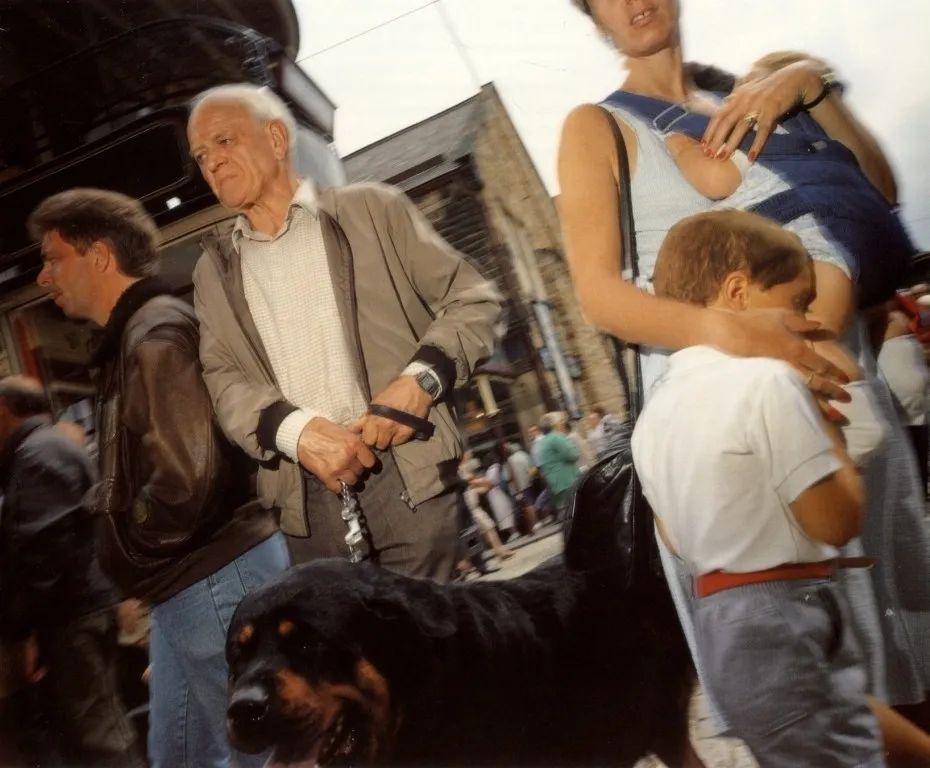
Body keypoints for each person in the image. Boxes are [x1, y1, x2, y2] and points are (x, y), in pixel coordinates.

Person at [561, 0, 930, 735]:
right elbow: (600, 296)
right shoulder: (598, 126)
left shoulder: (749, 97)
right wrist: (738, 331)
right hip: (746, 420)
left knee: (909, 644)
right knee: (821, 688)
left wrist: (807, 81)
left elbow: (879, 195)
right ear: (593, 17)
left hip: (849, 400)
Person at [635, 209, 930, 767]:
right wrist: (834, 442)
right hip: (783, 615)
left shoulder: (655, 414)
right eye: (796, 303)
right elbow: (835, 522)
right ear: (739, 291)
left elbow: (675, 538)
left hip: (724, 620)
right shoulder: (766, 381)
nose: (809, 319)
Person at [187, 84, 502, 581]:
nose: (212, 163)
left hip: (405, 473)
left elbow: (474, 299)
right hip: (305, 500)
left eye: (224, 141)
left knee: (428, 645)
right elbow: (222, 378)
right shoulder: (212, 271)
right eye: (202, 154)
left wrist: (420, 380)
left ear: (275, 138)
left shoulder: (374, 210)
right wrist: (294, 432)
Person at [30, 188, 289, 768]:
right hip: (188, 584)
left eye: (53, 257)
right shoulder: (132, 339)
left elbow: (184, 481)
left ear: (98, 256)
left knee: (261, 752)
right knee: (178, 754)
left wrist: (129, 538)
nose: (44, 275)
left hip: (211, 578)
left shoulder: (152, 337)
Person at [0, 376, 142, 768]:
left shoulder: (35, 455)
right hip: (80, 608)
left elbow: (44, 550)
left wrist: (24, 630)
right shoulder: (48, 448)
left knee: (98, 735)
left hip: (71, 615)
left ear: (4, 411)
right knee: (97, 728)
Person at [535, 412, 581, 513]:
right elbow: (572, 454)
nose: (562, 423)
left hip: (556, 484)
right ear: (553, 425)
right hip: (567, 480)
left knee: (568, 511)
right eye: (560, 421)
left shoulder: (543, 441)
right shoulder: (556, 437)